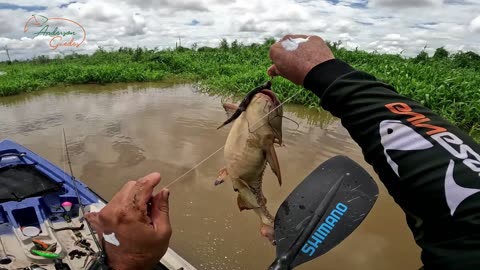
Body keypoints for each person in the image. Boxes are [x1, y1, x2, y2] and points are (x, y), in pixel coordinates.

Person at [85, 34, 480, 270]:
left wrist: (129, 264)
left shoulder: (266, 139)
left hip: (243, 177)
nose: (264, 104)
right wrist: (326, 74)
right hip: (242, 173)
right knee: (247, 186)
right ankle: (259, 210)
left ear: (272, 133)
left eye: (270, 110)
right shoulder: (245, 118)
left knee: (253, 193)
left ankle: (263, 215)